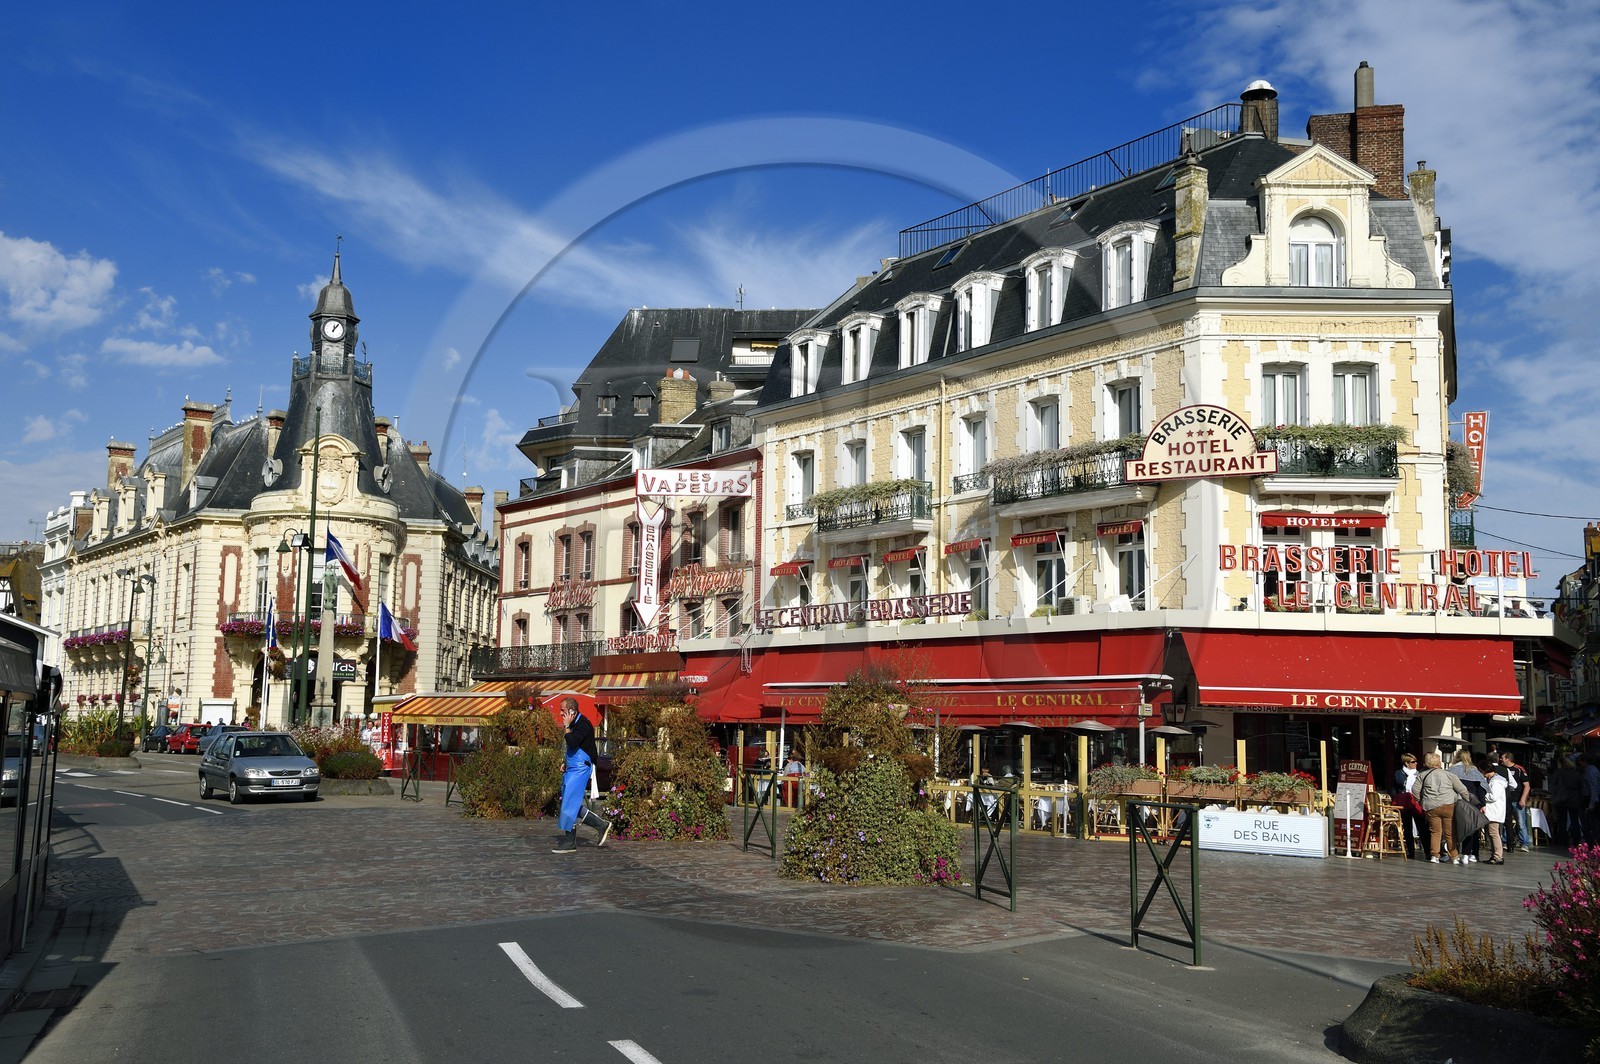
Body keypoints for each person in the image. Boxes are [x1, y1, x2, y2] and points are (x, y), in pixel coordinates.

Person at [552, 698, 612, 854]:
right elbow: (573, 749)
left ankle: (570, 842)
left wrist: (566, 727)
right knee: (568, 802)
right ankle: (600, 825)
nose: (561, 714)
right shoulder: (574, 724)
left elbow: (572, 742)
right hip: (573, 767)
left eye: (563, 711)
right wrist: (566, 762)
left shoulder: (583, 724)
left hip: (581, 768)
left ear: (572, 711)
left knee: (569, 802)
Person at [1411, 751, 1472, 864]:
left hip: (1431, 806)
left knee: (1435, 832)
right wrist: (1467, 800)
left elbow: (1414, 790)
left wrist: (1421, 800)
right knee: (1449, 832)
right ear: (1439, 762)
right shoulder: (1449, 775)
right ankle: (1454, 856)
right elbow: (1462, 790)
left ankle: (1435, 855)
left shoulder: (1422, 775)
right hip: (1448, 804)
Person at [1448, 749, 1488, 864]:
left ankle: (1458, 852)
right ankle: (1472, 854)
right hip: (1473, 802)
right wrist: (1482, 804)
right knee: (1473, 828)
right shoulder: (1474, 771)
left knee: (1457, 827)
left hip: (1457, 801)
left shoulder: (1451, 770)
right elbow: (1481, 789)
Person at [1392, 753, 1424, 859]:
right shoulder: (1399, 773)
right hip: (1405, 802)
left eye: (1416, 761)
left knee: (1421, 826)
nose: (1415, 764)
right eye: (1413, 762)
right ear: (1406, 763)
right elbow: (1396, 786)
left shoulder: (1419, 774)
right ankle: (1411, 851)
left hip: (1416, 802)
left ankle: (1427, 850)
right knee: (1407, 827)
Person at [1499, 751, 1532, 852]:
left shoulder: (1519, 769)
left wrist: (1522, 799)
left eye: (1502, 758)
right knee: (1506, 822)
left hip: (1516, 800)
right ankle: (1506, 841)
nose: (1500, 759)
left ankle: (1525, 843)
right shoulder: (1502, 769)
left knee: (1521, 823)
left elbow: (1527, 785)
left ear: (1508, 759)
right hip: (1505, 799)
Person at [1478, 754, 1508, 865]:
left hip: (1495, 811)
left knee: (1494, 833)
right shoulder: (1493, 780)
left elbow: (1493, 796)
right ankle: (1494, 855)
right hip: (1493, 811)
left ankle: (1498, 856)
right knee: (1492, 833)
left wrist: (1483, 796)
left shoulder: (1496, 781)